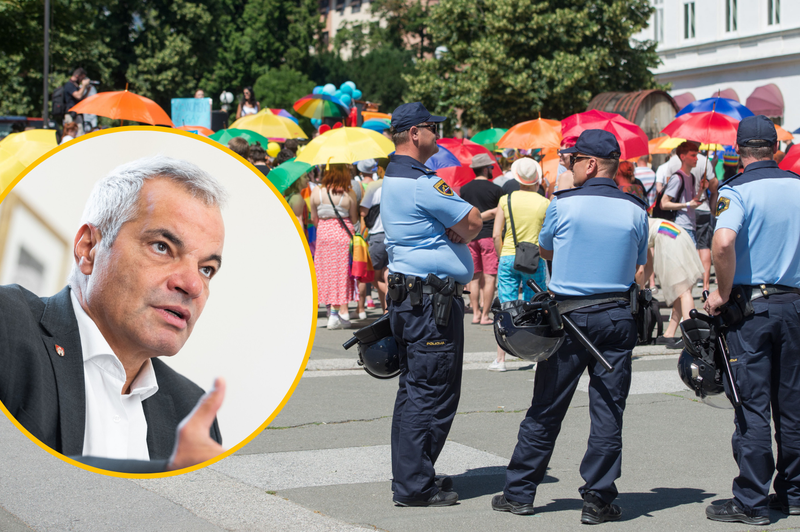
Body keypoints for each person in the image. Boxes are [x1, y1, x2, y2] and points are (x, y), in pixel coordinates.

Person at [0, 156, 227, 473]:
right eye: (162, 247)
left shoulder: (191, 408)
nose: (192, 285)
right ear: (89, 249)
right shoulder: (8, 327)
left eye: (206, 269)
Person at [491, 130, 648, 523]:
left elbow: (545, 249)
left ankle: (520, 493)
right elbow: (641, 264)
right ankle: (597, 500)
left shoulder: (563, 204)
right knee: (609, 410)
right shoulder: (635, 208)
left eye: (573, 159)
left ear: (591, 163)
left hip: (570, 317)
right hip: (616, 315)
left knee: (546, 407)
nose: (568, 165)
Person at [382, 102, 482, 507]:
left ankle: (411, 474)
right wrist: (454, 229)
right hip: (429, 303)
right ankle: (414, 487)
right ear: (415, 134)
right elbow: (473, 222)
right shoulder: (423, 181)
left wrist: (447, 229)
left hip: (412, 299)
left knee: (414, 390)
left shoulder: (393, 176)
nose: (437, 135)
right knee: (432, 392)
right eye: (432, 128)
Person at [703, 115, 800, 526]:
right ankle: (793, 493)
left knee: (752, 406)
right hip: (794, 304)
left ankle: (752, 501)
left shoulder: (736, 190)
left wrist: (721, 292)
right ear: (775, 148)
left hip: (753, 309)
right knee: (793, 406)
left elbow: (723, 241)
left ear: (739, 150)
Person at [489, 158, 549, 372]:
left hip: (508, 256)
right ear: (537, 179)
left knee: (506, 306)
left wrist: (502, 255)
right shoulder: (544, 202)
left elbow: (497, 234)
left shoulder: (506, 199)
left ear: (517, 178)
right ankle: (536, 356)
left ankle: (501, 359)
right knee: (535, 305)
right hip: (534, 258)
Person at [637, 218, 703, 347]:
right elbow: (648, 266)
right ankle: (669, 333)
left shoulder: (634, 230)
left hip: (667, 236)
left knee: (684, 292)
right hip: (676, 232)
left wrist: (639, 292)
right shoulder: (642, 222)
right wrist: (643, 286)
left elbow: (640, 271)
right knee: (681, 290)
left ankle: (691, 337)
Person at [309, 164, 359, 330]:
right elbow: (354, 218)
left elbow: (314, 217)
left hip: (323, 233)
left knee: (325, 273)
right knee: (341, 275)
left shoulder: (317, 192)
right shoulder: (349, 193)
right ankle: (336, 314)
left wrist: (324, 228)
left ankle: (332, 311)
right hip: (343, 235)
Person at [459, 153, 504, 325]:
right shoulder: (495, 190)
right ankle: (486, 315)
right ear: (486, 169)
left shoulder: (465, 189)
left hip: (471, 237)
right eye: (491, 167)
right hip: (488, 236)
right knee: (490, 276)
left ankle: (476, 313)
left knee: (474, 278)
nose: (492, 169)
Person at [660, 141, 703, 243]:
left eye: (696, 155)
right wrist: (687, 204)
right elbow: (664, 203)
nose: (696, 158)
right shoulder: (677, 178)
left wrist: (702, 189)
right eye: (693, 155)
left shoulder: (691, 176)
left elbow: (692, 202)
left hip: (690, 225)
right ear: (683, 157)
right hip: (679, 226)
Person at [360, 178, 388, 313]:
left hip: (377, 236)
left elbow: (363, 212)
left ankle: (389, 292)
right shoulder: (397, 183)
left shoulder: (374, 186)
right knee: (386, 276)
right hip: (392, 236)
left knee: (370, 277)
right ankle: (386, 311)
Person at [63, 68, 91, 136]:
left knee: (79, 134)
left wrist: (87, 90)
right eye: (82, 78)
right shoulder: (69, 85)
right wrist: (84, 85)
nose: (83, 80)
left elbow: (81, 100)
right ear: (77, 76)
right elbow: (78, 96)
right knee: (71, 135)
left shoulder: (76, 86)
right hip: (71, 115)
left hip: (77, 115)